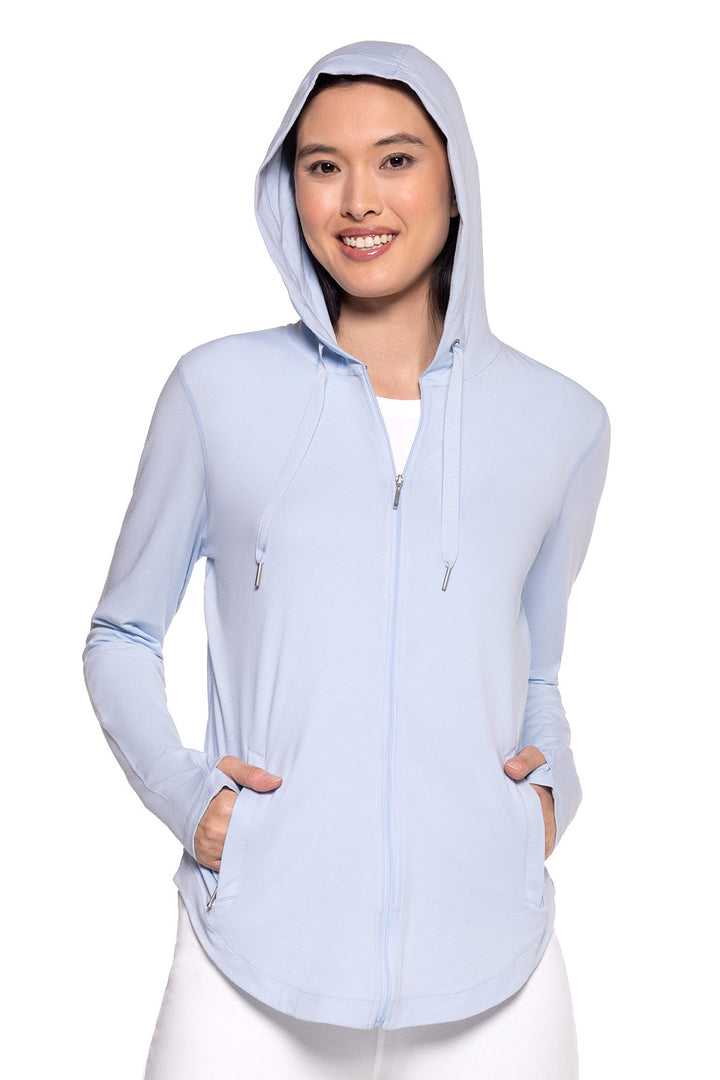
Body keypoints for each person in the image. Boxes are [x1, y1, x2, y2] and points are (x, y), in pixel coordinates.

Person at [83, 40, 610, 1080]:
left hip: (492, 964)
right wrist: (189, 800)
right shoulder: (217, 390)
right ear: (291, 189)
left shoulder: (563, 422)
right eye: (323, 165)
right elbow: (121, 633)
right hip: (249, 957)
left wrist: (550, 793)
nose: (358, 199)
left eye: (396, 159)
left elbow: (537, 670)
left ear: (456, 180)